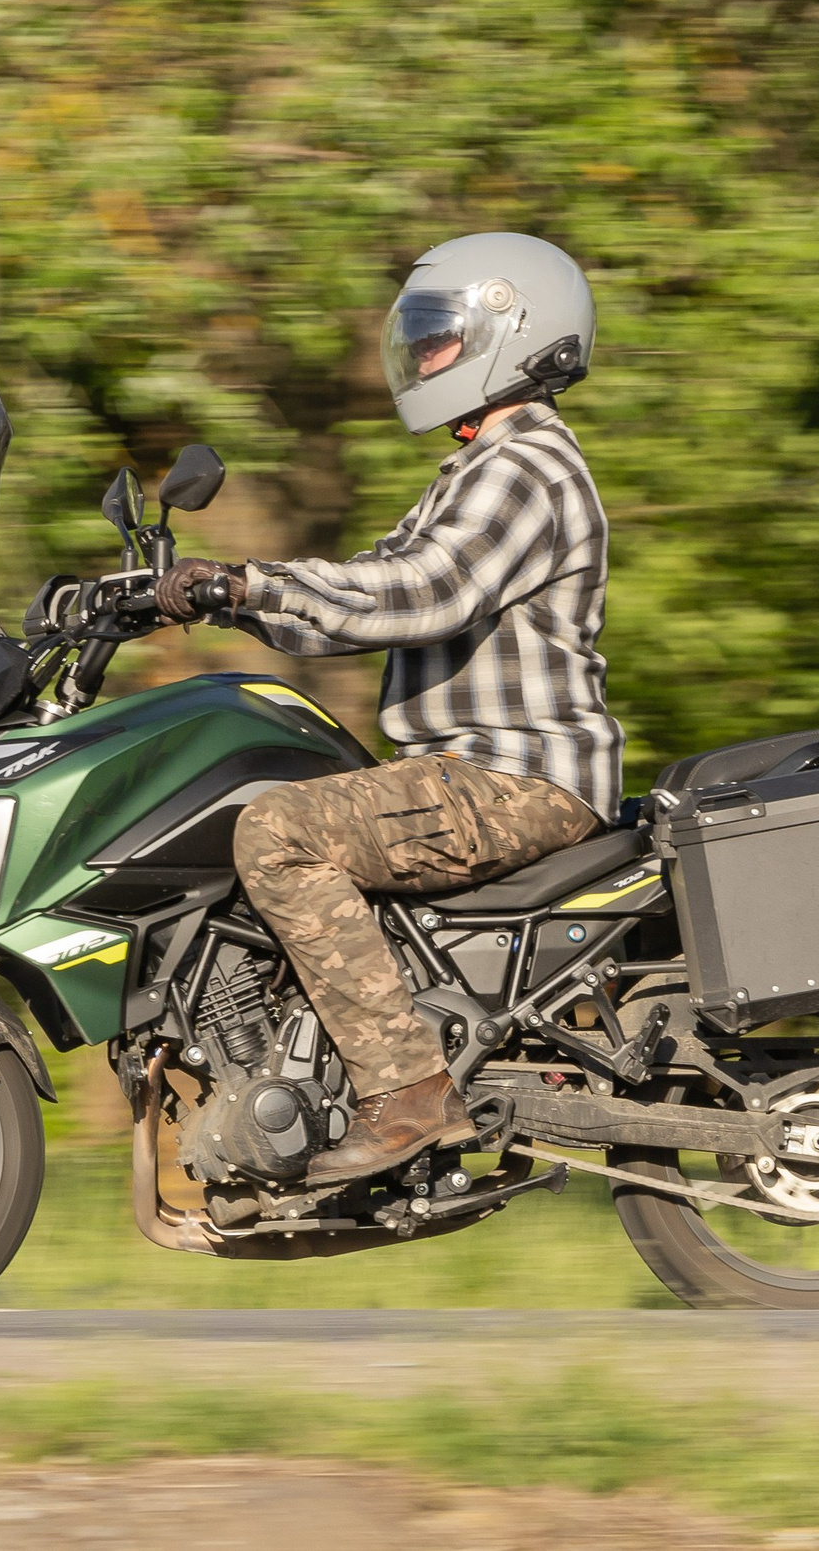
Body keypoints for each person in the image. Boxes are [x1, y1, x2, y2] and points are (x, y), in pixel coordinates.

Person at [154, 232, 623, 1183]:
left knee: (278, 830)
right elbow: (368, 597)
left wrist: (250, 584)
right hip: (470, 776)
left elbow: (422, 592)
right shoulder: (476, 470)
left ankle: (409, 1091)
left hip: (511, 780)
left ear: (515, 333)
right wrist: (224, 604)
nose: (423, 355)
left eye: (444, 336)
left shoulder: (527, 467)